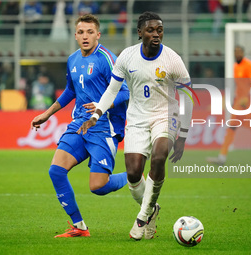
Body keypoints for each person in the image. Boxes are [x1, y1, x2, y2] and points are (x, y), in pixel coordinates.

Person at [77, 11, 193, 240]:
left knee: (159, 157)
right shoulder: (127, 57)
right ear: (140, 33)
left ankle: (142, 219)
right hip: (137, 119)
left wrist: (183, 135)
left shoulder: (172, 59)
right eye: (150, 30)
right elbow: (112, 90)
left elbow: (188, 95)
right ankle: (152, 209)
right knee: (133, 174)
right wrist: (96, 114)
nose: (156, 34)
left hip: (164, 116)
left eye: (159, 30)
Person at [31, 14, 129, 238]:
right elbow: (70, 92)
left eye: (90, 32)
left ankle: (134, 177)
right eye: (81, 32)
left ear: (98, 34)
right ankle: (79, 227)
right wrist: (46, 114)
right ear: (75, 35)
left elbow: (125, 92)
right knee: (56, 171)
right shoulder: (73, 59)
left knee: (98, 187)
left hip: (104, 127)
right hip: (78, 124)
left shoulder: (107, 59)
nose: (85, 36)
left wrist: (102, 106)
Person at [207, 45, 251, 166]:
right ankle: (222, 157)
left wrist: (246, 97)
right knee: (231, 128)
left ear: (243, 53)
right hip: (239, 103)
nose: (237, 54)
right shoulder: (236, 66)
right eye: (236, 52)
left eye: (239, 52)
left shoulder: (249, 65)